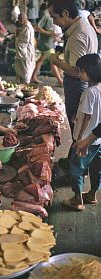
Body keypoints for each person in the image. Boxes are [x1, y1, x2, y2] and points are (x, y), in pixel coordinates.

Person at [48, 0, 98, 137]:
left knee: (77, 126)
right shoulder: (81, 27)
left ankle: (77, 153)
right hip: (78, 85)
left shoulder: (78, 35)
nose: (54, 22)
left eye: (54, 17)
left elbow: (77, 71)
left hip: (77, 86)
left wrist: (55, 62)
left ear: (65, 13)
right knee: (78, 125)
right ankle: (75, 153)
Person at [62, 53, 101, 211]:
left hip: (86, 140)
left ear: (89, 71)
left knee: (76, 168)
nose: (79, 74)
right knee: (97, 168)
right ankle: (92, 194)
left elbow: (87, 117)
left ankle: (77, 199)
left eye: (81, 71)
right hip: (98, 140)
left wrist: (79, 139)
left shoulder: (89, 92)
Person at [31, 1, 63, 85]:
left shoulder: (46, 14)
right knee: (54, 61)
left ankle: (33, 76)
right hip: (46, 43)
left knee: (41, 60)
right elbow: (37, 28)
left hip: (48, 42)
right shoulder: (45, 15)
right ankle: (60, 81)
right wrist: (50, 34)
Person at [14, 12, 35, 84]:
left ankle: (25, 86)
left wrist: (17, 37)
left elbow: (24, 41)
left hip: (26, 53)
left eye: (19, 20)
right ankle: (22, 84)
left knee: (26, 70)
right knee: (21, 69)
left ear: (22, 20)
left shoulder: (27, 27)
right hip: (25, 52)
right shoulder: (26, 26)